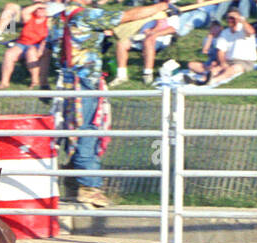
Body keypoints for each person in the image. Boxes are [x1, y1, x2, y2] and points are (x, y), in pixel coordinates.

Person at [56, 1, 176, 208]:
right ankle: (89, 187)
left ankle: (73, 183)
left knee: (77, 132)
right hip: (83, 82)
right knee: (88, 131)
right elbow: (125, 16)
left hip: (70, 80)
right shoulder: (85, 15)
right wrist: (160, 6)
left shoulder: (62, 17)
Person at [182, 9, 257, 82]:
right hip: (228, 61)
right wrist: (223, 63)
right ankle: (201, 80)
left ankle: (212, 81)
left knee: (231, 70)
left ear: (239, 18)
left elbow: (251, 32)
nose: (230, 20)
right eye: (228, 18)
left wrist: (243, 21)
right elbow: (220, 51)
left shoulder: (243, 29)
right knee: (214, 70)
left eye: (233, 18)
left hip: (244, 61)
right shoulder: (225, 32)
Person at [0, 2, 50, 89]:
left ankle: (35, 81)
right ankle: (4, 82)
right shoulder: (30, 18)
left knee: (31, 52)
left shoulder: (48, 22)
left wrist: (41, 48)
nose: (40, 11)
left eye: (43, 9)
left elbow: (47, 38)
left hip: (37, 45)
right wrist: (38, 5)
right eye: (38, 9)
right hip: (22, 43)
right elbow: (24, 12)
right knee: (9, 54)